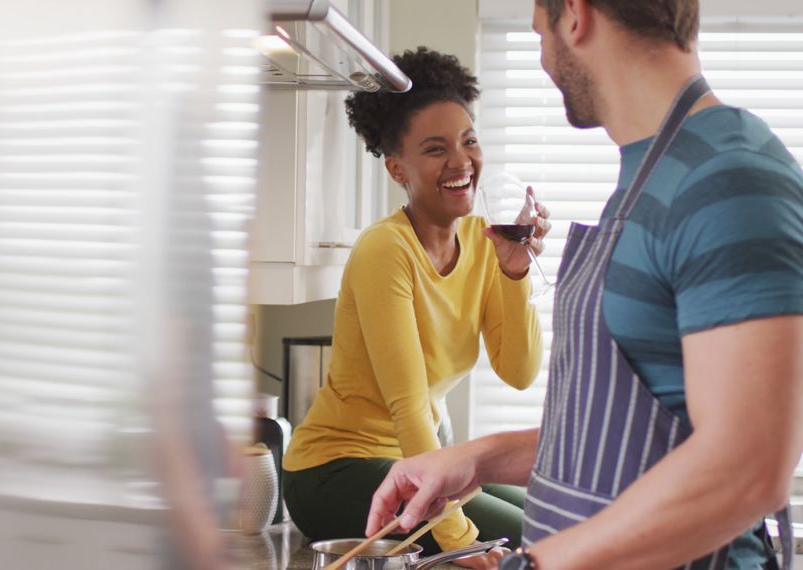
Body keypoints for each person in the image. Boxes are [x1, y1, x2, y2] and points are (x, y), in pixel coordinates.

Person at [366, 2, 803, 569]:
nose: (544, 58)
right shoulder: (654, 172)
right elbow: (624, 438)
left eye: (538, 35)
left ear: (574, 15)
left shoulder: (728, 178)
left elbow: (749, 470)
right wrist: (477, 459)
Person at [281, 47, 552, 569]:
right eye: (435, 149)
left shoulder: (483, 237)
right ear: (397, 168)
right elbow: (408, 409)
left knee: (560, 520)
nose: (461, 161)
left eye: (469, 141)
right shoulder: (386, 250)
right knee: (535, 543)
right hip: (335, 472)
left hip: (419, 466)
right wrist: (459, 541)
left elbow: (518, 372)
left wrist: (514, 270)